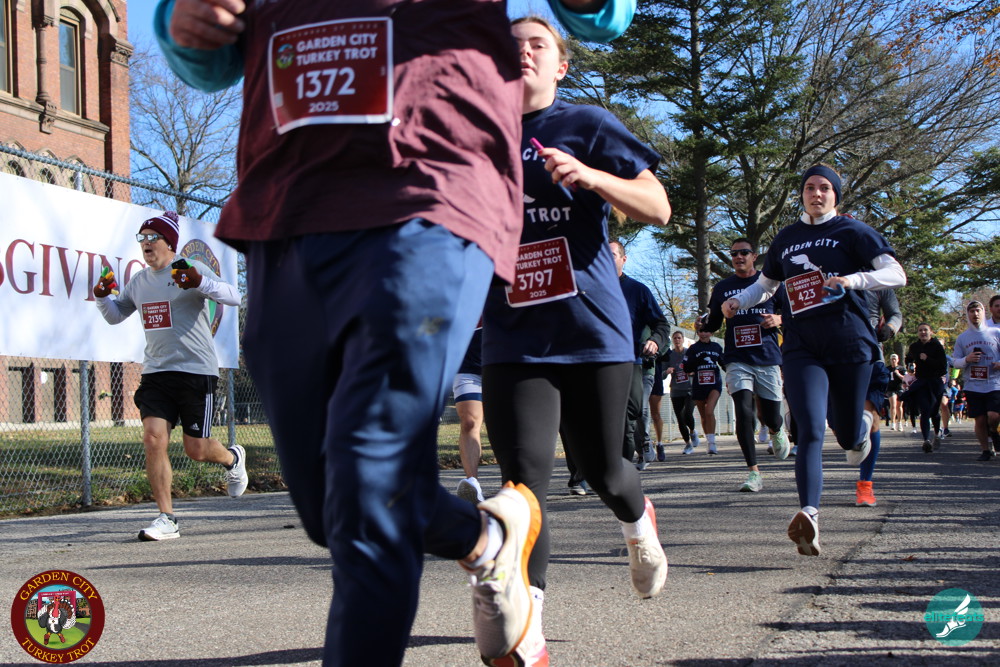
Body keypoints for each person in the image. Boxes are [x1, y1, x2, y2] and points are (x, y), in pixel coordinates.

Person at [155, 1, 637, 664]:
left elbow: (602, 16)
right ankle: (487, 538)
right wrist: (181, 24)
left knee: (371, 482)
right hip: (285, 208)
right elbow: (205, 60)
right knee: (330, 508)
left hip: (433, 192)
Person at [481, 15, 670, 663]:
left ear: (561, 65)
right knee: (523, 482)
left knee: (603, 469)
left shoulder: (586, 124)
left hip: (591, 331)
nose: (523, 53)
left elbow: (657, 206)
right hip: (513, 334)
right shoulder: (477, 138)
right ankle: (527, 622)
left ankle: (638, 522)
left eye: (538, 44)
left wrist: (592, 177)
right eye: (512, 46)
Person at [722, 164, 906, 556]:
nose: (816, 193)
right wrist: (740, 300)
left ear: (835, 194)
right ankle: (810, 516)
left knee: (846, 434)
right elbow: (766, 286)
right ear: (802, 194)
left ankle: (860, 429)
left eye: (824, 188)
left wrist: (852, 280)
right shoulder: (787, 238)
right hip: (802, 345)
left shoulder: (854, 232)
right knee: (808, 429)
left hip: (850, 342)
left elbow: (896, 275)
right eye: (809, 187)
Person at [93, 211, 246, 541]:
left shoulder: (189, 268)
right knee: (153, 439)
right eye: (142, 238)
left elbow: (234, 297)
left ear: (169, 243)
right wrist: (102, 297)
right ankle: (167, 518)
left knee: (197, 450)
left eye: (153, 237)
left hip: (195, 371)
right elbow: (116, 315)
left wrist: (199, 282)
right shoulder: (140, 281)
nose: (146, 243)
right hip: (157, 372)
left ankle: (232, 458)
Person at [702, 238, 790, 492]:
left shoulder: (770, 283)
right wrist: (703, 324)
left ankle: (776, 429)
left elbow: (794, 313)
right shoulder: (723, 288)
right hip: (737, 358)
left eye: (744, 253)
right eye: (734, 254)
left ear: (754, 256)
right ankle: (753, 472)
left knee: (770, 415)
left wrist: (779, 319)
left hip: (767, 357)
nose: (738, 257)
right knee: (743, 411)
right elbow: (713, 323)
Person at [610, 240, 670, 468]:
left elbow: (661, 324)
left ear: (623, 259)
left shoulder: (638, 290)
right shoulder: (589, 289)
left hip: (631, 362)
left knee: (634, 412)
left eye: (612, 255)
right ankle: (606, 470)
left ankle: (627, 464)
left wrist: (654, 341)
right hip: (596, 364)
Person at [855, 288, 902, 507]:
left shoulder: (879, 281)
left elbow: (895, 314)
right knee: (843, 428)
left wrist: (890, 328)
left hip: (872, 357)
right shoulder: (831, 274)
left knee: (871, 419)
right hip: (835, 358)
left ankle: (865, 485)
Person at [950, 301, 1000, 460]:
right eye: (971, 311)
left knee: (993, 416)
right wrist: (967, 359)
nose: (975, 314)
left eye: (978, 310)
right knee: (980, 419)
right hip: (973, 384)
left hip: (994, 382)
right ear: (968, 314)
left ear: (983, 312)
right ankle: (985, 450)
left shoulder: (995, 333)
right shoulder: (963, 338)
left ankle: (993, 431)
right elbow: (955, 362)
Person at [453, 325, 486, 504]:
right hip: (467, 366)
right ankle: (473, 485)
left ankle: (515, 483)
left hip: (503, 363)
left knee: (508, 426)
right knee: (469, 421)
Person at [906, 323, 949, 453]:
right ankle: (926, 440)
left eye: (925, 330)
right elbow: (908, 358)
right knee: (924, 410)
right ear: (917, 333)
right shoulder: (914, 347)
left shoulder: (937, 346)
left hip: (935, 381)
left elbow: (943, 367)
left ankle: (936, 434)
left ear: (931, 332)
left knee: (934, 411)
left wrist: (927, 359)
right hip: (922, 382)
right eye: (920, 330)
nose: (923, 332)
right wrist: (910, 366)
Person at [681, 327, 724, 455]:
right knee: (704, 416)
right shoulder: (693, 348)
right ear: (698, 333)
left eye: (706, 331)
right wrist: (695, 362)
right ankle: (708, 440)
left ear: (711, 332)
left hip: (714, 383)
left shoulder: (716, 347)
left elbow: (724, 363)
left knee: (709, 410)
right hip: (699, 384)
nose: (704, 334)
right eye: (701, 331)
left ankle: (712, 443)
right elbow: (686, 368)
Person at [664, 330, 698, 452]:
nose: (677, 340)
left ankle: (693, 432)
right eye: (675, 338)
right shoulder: (670, 355)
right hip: (676, 391)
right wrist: (667, 371)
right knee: (680, 418)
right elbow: (661, 374)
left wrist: (693, 372)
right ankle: (688, 444)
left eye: (679, 338)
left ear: (683, 340)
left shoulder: (689, 353)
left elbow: (698, 368)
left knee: (687, 414)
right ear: (672, 341)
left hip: (689, 389)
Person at [649, 351, 668, 460]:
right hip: (639, 374)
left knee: (655, 414)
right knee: (640, 414)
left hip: (655, 376)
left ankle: (659, 444)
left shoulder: (659, 340)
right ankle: (645, 444)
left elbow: (667, 354)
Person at [886, 353, 906, 430]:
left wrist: (898, 374)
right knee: (893, 405)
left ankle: (899, 422)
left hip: (899, 388)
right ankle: (893, 423)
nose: (893, 361)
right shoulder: (887, 369)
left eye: (895, 359)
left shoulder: (901, 368)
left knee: (899, 406)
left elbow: (905, 378)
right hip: (891, 388)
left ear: (898, 360)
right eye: (892, 359)